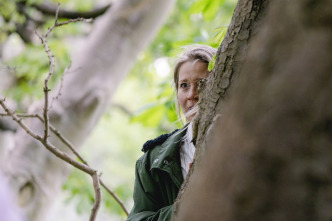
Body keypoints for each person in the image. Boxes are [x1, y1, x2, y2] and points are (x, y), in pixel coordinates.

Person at [127, 45, 217, 221]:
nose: (192, 94)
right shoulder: (151, 162)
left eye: (202, 84)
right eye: (184, 85)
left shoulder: (251, 140)